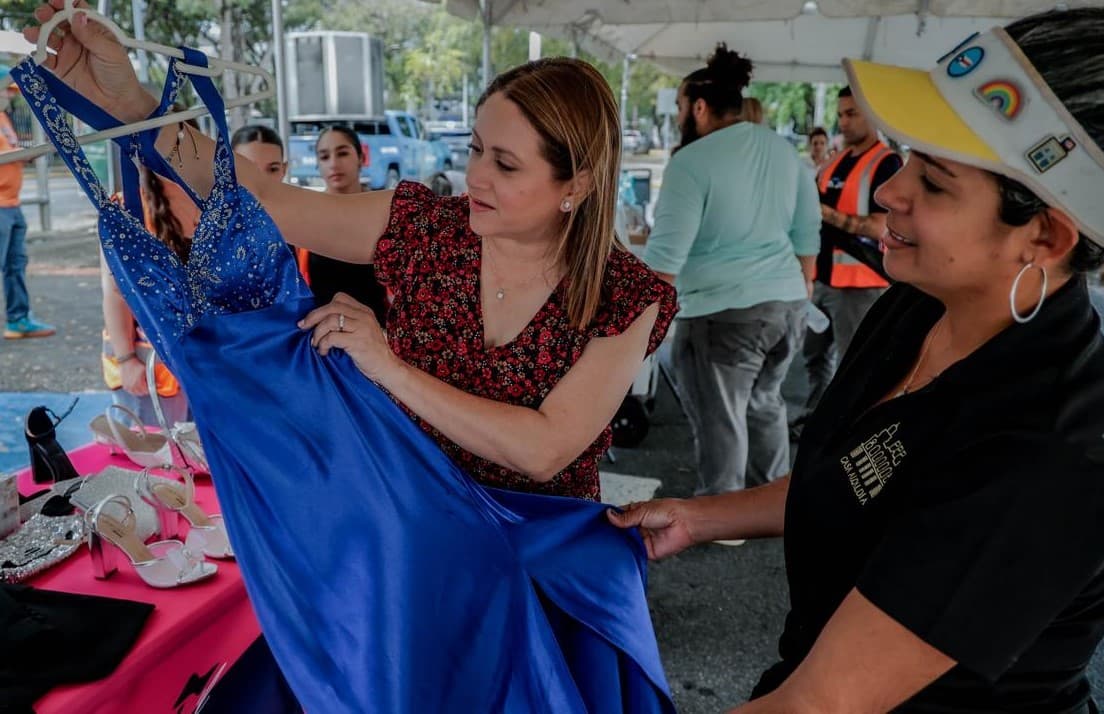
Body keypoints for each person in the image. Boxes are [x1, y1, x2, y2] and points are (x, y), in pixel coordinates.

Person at [612, 7, 1104, 712]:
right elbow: (853, 478)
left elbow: (821, 704)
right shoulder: (920, 308)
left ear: (1043, 235)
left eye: (936, 182)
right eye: (908, 156)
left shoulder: (1054, 455)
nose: (890, 191)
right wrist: (702, 518)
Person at [25, 2, 676, 504]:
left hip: (542, 561)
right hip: (415, 527)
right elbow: (255, 196)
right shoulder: (428, 227)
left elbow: (544, 450)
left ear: (578, 185)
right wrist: (131, 103)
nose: (475, 176)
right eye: (476, 149)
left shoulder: (626, 295)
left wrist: (388, 366)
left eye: (505, 164)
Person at [644, 44, 819, 499]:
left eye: (681, 106)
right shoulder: (784, 151)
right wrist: (800, 293)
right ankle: (774, 498)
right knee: (764, 403)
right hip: (788, 304)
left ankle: (722, 513)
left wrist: (634, 324)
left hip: (722, 312)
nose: (680, 115)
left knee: (721, 415)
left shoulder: (691, 162)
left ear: (699, 107)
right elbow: (807, 235)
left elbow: (665, 260)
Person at [792, 86, 902, 434]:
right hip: (823, 279)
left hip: (860, 285)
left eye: (852, 113)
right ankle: (817, 416)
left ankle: (850, 430)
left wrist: (828, 214)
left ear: (872, 113)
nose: (844, 121)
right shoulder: (832, 164)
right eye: (841, 114)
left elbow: (882, 224)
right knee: (814, 355)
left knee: (853, 364)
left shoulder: (887, 162)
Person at [101, 162, 199, 427]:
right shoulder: (124, 208)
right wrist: (126, 359)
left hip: (207, 358)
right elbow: (115, 293)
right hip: (149, 365)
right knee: (159, 456)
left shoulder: (214, 197)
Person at [291, 125, 389, 320]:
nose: (334, 164)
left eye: (342, 153)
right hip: (320, 335)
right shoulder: (307, 215)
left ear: (361, 158)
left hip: (378, 333)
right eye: (324, 157)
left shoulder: (384, 210)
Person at [0, 79, 54, 339]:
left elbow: (10, 151)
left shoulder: (3, 118)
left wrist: (25, 153)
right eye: (5, 90)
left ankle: (18, 319)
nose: (9, 96)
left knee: (15, 264)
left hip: (12, 203)